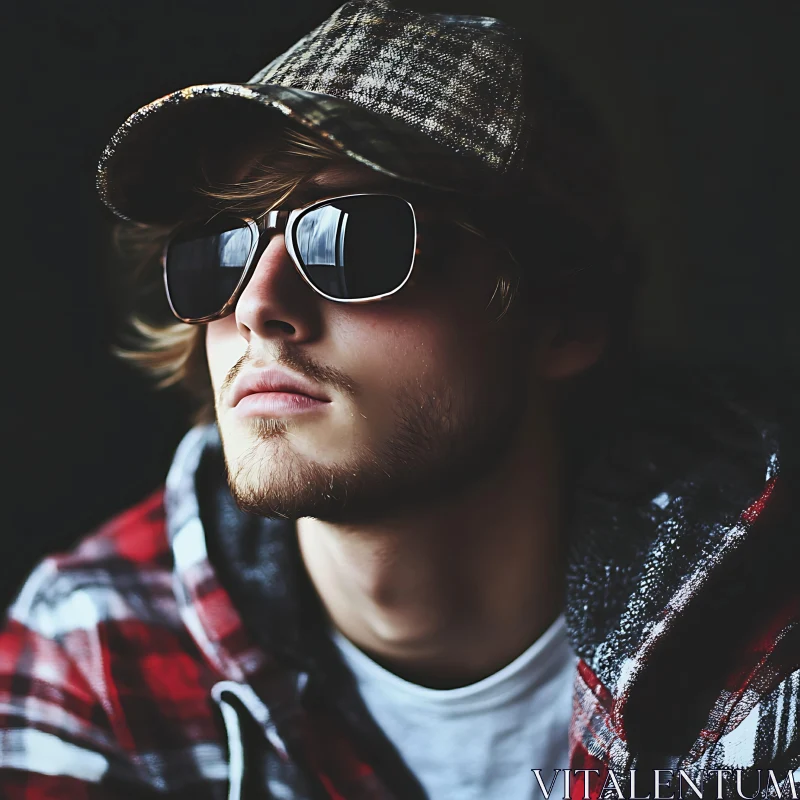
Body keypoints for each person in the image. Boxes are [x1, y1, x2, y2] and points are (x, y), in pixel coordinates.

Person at [0, 1, 797, 798]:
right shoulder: (96, 647)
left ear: (564, 320)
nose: (256, 305)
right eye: (220, 251)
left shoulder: (773, 637)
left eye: (352, 238)